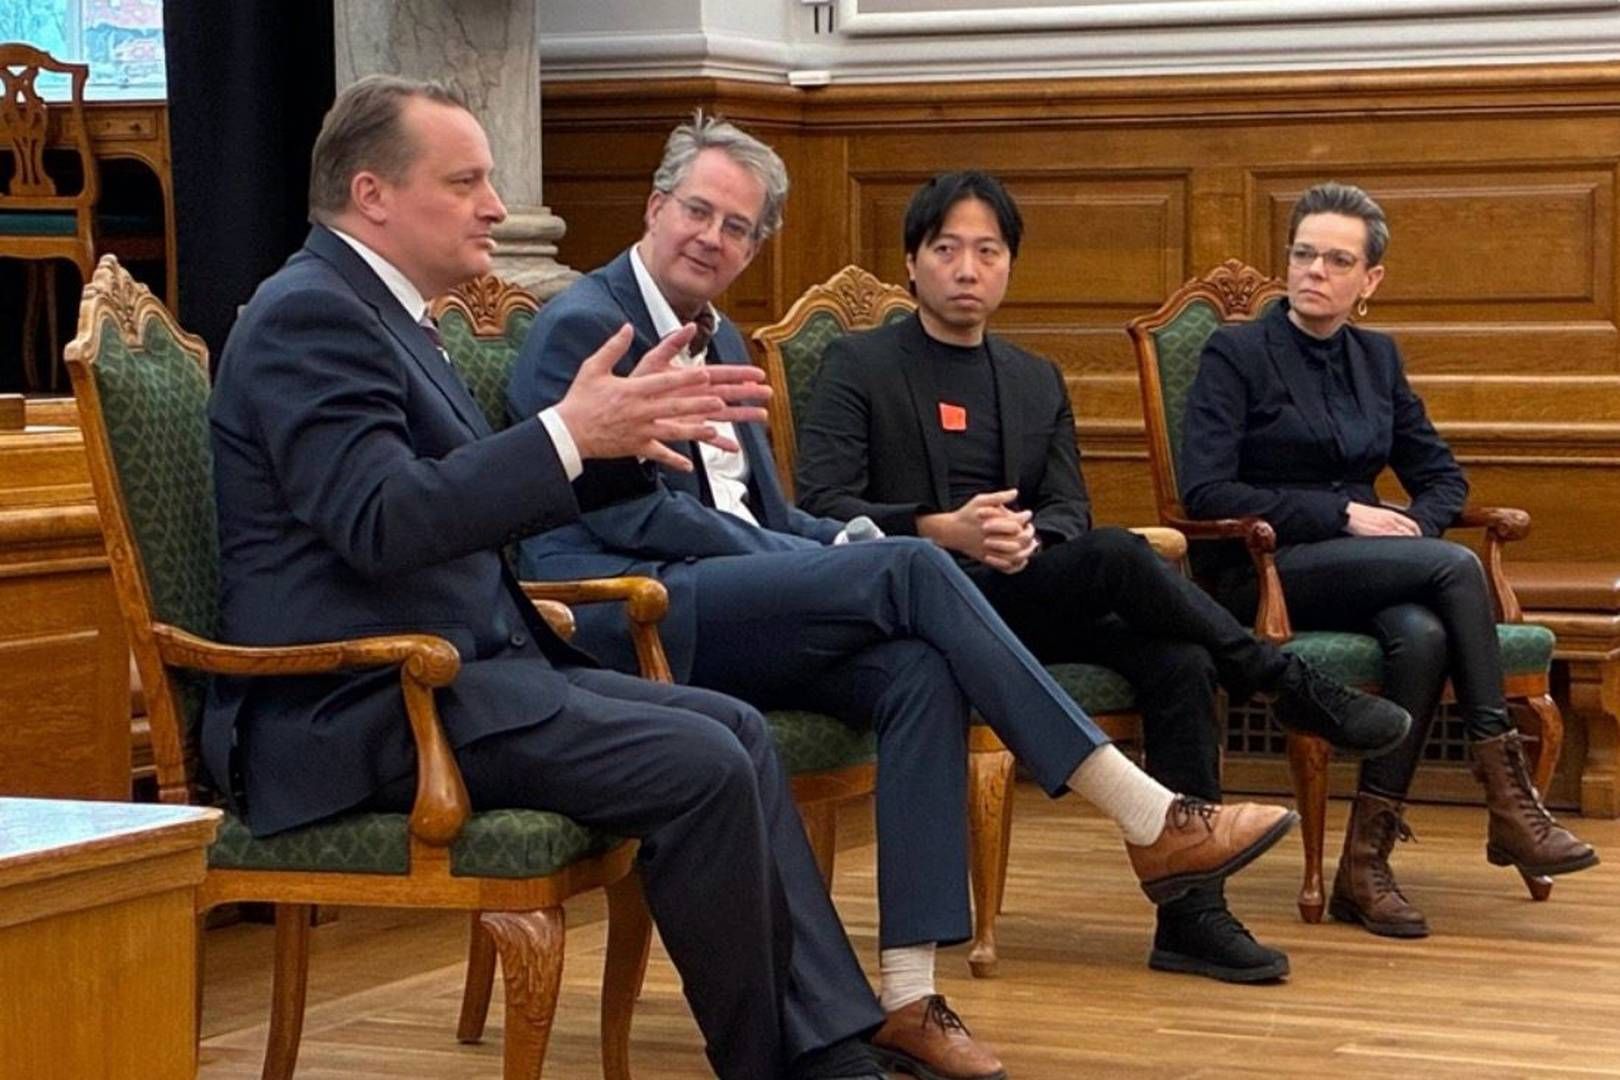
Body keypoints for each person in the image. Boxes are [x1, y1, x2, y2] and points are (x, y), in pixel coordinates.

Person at [509, 113, 1325, 1080]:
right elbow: (630, 515)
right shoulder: (587, 322)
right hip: (628, 610)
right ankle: (1147, 814)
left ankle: (907, 993)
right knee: (911, 564)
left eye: (738, 228)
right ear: (655, 207)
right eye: (698, 212)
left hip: (728, 593)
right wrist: (813, 554)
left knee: (917, 668)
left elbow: (766, 506)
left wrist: (829, 545)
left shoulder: (717, 332)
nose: (713, 238)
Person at [205, 75, 894, 1080]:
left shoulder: (387, 312)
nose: (496, 206)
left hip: (465, 674)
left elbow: (460, 500)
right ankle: (775, 1065)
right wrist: (568, 433)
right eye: (466, 182)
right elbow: (382, 521)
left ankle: (827, 1045)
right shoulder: (309, 316)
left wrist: (607, 445)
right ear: (372, 193)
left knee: (737, 730)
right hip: (362, 702)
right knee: (702, 764)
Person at [793, 170, 1412, 987]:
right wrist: (945, 529)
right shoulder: (859, 364)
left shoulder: (1033, 377)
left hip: (1022, 588)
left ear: (1009, 266)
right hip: (918, 600)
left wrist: (1025, 537)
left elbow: (1068, 508)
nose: (967, 269)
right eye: (946, 250)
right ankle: (1279, 679)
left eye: (988, 251)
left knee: (1178, 658)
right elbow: (821, 506)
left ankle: (1191, 918)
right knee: (1122, 555)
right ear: (912, 262)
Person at [1178, 180, 1599, 938]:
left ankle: (1364, 868)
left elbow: (1441, 477)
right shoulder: (1237, 353)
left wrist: (1412, 529)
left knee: (1424, 632)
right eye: (1303, 254)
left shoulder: (1376, 357)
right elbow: (1205, 489)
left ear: (1369, 280)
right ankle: (1509, 801)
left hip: (1364, 569)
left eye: (1337, 260)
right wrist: (1343, 514)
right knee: (1454, 568)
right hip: (1263, 570)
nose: (1315, 271)